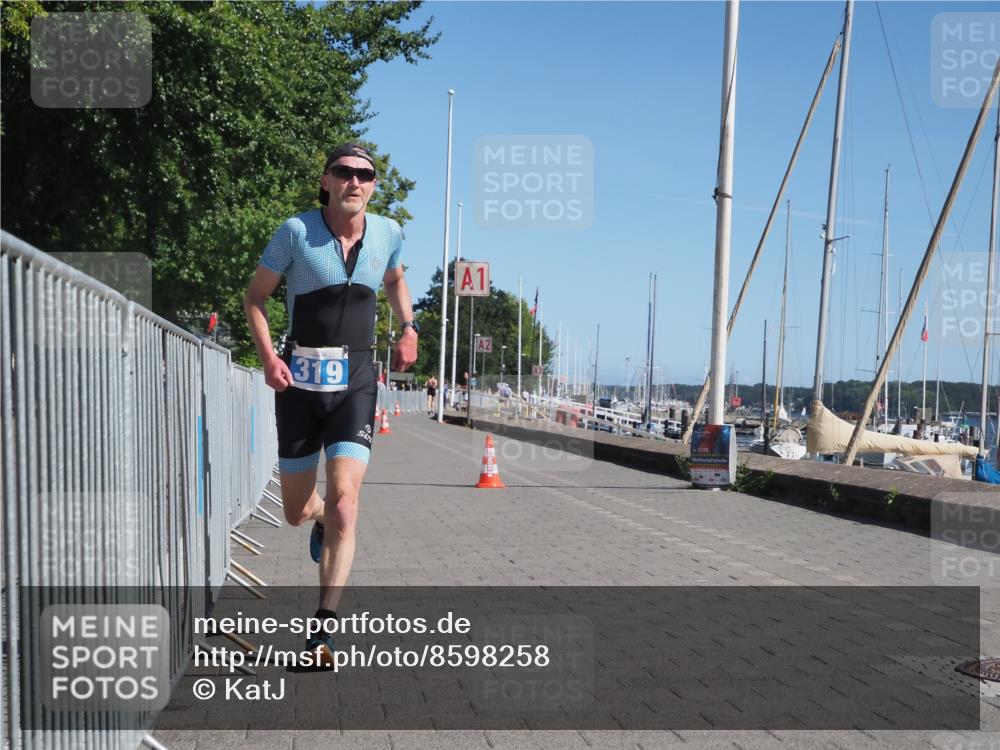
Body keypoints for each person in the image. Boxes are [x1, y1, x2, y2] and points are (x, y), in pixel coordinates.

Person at [243, 142, 418, 665]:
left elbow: (395, 278)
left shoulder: (387, 232)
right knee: (298, 512)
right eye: (343, 172)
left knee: (346, 501)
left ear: (372, 186)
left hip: (357, 379)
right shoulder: (296, 232)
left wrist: (409, 327)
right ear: (326, 180)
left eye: (364, 175)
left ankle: (322, 630)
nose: (354, 182)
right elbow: (255, 298)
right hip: (297, 383)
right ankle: (317, 518)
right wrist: (269, 357)